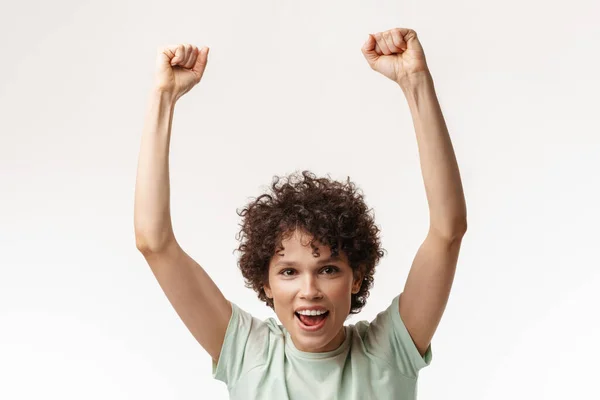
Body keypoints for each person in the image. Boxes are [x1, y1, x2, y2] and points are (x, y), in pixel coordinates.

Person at [134, 27, 467, 400]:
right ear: (266, 283)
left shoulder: (390, 352)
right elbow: (154, 243)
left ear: (356, 278)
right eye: (289, 271)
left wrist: (415, 81)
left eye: (328, 269)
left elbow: (447, 231)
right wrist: (163, 97)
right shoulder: (248, 353)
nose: (309, 291)